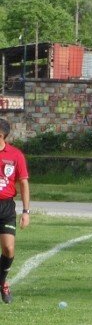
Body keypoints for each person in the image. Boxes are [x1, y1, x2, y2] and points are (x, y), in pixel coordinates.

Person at [0, 118, 30, 304]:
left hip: (6, 206)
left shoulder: (15, 155)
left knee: (9, 249)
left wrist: (26, 211)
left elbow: (24, 183)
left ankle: (2, 282)